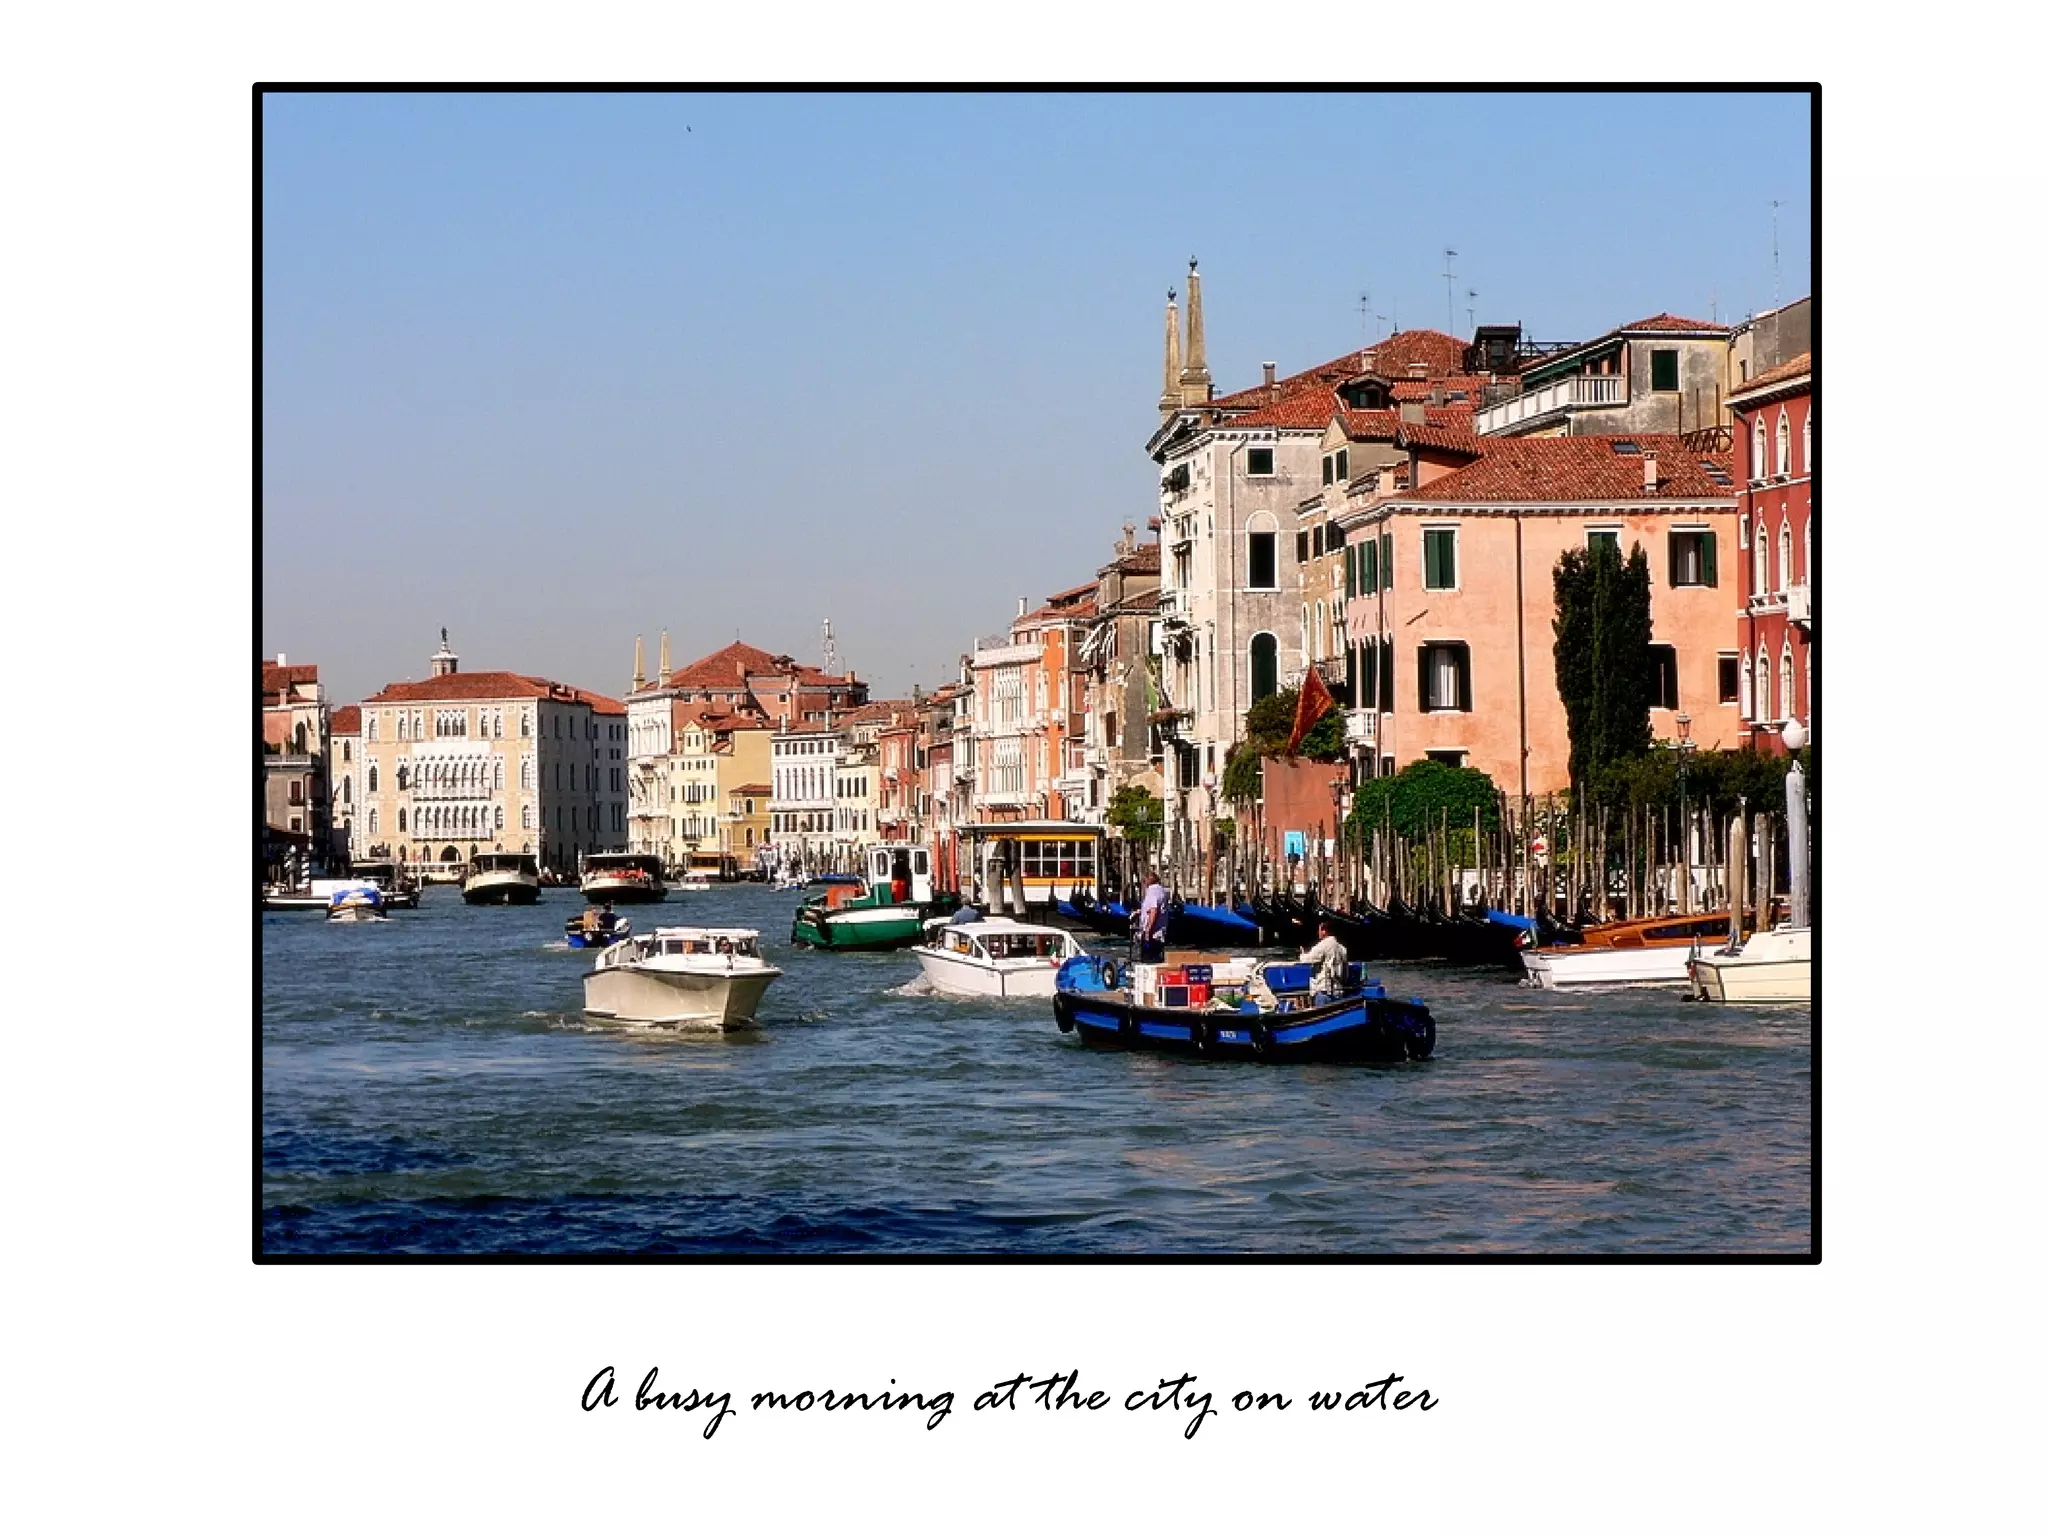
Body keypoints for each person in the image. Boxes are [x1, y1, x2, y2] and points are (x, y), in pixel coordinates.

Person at [1303, 919, 1349, 1005]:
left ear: (1324, 931)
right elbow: (1346, 973)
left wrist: (1302, 954)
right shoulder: (1342, 949)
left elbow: (1307, 959)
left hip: (1324, 991)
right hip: (1338, 991)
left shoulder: (1323, 945)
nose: (1318, 932)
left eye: (1319, 930)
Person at [1135, 870, 1169, 964]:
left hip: (1152, 934)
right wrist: (1141, 911)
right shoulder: (1161, 890)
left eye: (1144, 881)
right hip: (1159, 932)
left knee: (1148, 960)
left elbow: (1154, 910)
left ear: (1147, 880)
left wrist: (1148, 930)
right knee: (1157, 959)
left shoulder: (1152, 891)